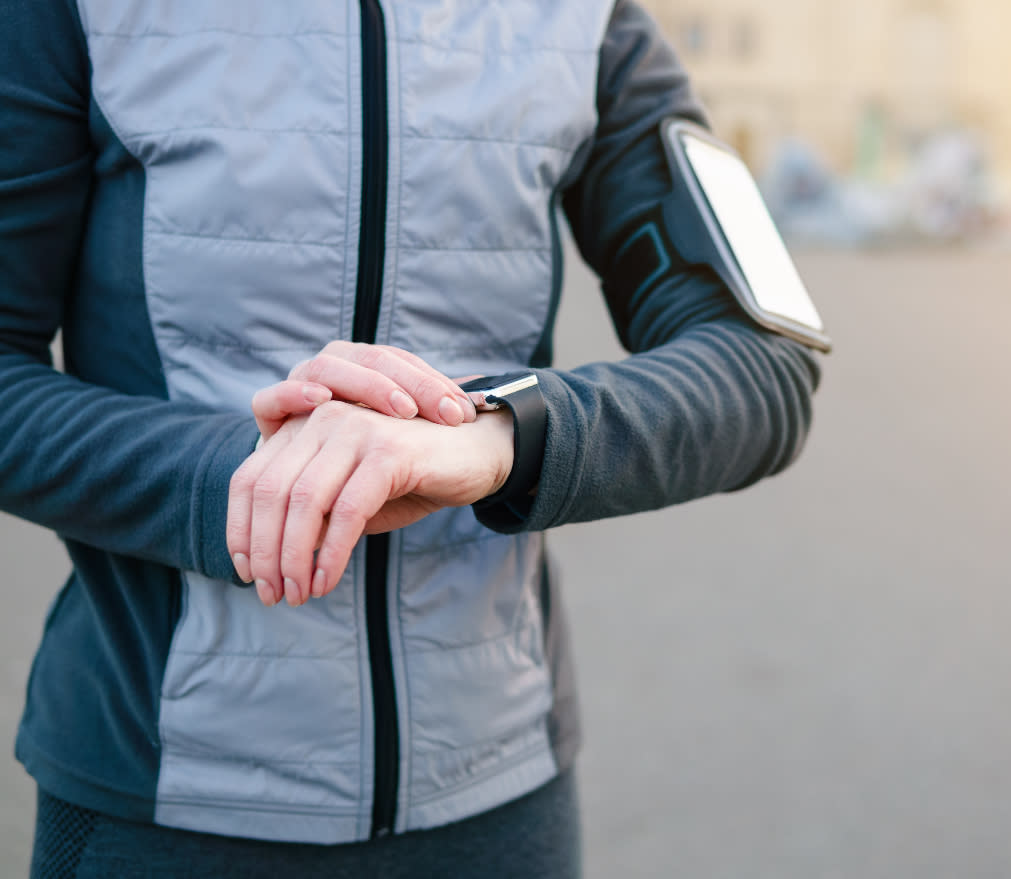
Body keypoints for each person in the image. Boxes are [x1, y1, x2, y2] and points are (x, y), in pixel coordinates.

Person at [0, 0, 821, 876]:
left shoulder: (587, 18)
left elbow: (765, 360)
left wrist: (496, 435)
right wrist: (241, 476)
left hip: (497, 799)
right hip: (157, 800)